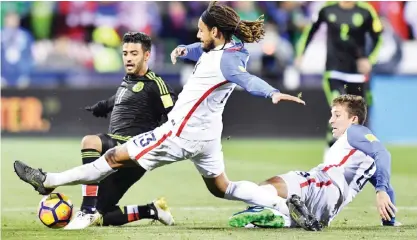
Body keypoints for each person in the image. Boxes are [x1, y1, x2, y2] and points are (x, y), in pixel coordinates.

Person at [14, 1, 306, 230]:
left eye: (201, 31)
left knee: (114, 157)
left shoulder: (227, 62)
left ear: (215, 33)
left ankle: (48, 180)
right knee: (223, 188)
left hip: (180, 133)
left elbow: (246, 80)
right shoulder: (231, 48)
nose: (197, 34)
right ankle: (283, 204)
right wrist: (186, 49)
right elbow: (206, 53)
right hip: (208, 137)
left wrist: (271, 93)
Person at [228, 95, 400, 230]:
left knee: (265, 189)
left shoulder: (356, 131)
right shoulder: (363, 155)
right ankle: (285, 218)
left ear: (353, 119)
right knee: (282, 207)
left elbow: (383, 153)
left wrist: (380, 191)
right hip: (329, 210)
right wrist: (389, 219)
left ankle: (275, 210)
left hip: (322, 184)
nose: (331, 120)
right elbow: (382, 177)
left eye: (337, 115)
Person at [69, 32, 177, 229]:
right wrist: (103, 106)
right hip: (117, 150)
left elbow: (176, 115)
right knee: (100, 216)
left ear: (146, 56)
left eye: (134, 53)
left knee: (90, 142)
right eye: (125, 53)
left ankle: (86, 210)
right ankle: (152, 210)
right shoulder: (128, 80)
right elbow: (119, 98)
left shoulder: (156, 84)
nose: (128, 57)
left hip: (133, 149)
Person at [295, 1, 383, 149]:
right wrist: (301, 54)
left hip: (356, 74)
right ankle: (331, 150)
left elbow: (378, 37)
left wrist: (369, 60)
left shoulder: (366, 11)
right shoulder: (327, 9)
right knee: (340, 108)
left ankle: (355, 151)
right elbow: (310, 30)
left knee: (357, 115)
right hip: (334, 71)